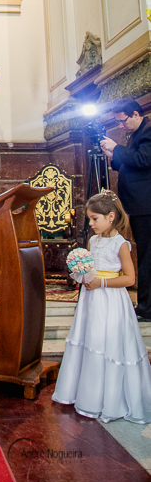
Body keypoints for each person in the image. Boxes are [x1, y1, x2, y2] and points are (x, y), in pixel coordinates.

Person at [52, 190, 151, 423]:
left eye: (95, 218)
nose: (91, 223)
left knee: (109, 345)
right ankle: (88, 396)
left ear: (111, 217)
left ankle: (111, 399)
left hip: (112, 301)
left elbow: (129, 279)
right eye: (89, 219)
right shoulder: (92, 241)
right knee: (91, 342)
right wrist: (81, 274)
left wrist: (102, 282)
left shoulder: (121, 244)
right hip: (91, 299)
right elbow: (90, 269)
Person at [101, 98, 151, 321]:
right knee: (146, 256)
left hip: (146, 205)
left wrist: (117, 148)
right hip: (140, 205)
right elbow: (132, 161)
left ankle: (146, 309)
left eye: (122, 121)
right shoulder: (138, 133)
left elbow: (143, 159)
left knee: (147, 257)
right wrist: (114, 155)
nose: (121, 126)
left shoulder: (148, 132)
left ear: (135, 114)